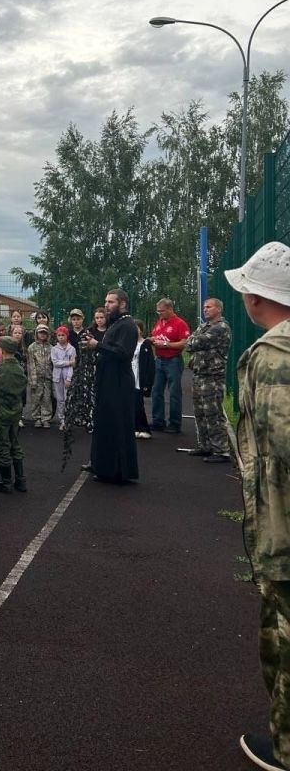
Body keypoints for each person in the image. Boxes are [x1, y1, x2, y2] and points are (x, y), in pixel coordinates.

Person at [223, 242, 290, 771]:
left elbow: (279, 448)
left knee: (283, 637)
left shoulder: (271, 358)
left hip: (285, 530)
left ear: (253, 298)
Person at [84, 289, 138, 483]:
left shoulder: (128, 325)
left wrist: (97, 345)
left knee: (116, 424)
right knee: (104, 422)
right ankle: (101, 465)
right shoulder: (116, 324)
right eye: (105, 302)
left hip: (118, 383)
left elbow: (123, 353)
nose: (106, 305)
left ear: (122, 304)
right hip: (108, 380)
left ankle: (116, 471)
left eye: (111, 302)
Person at [180, 298, 233, 463]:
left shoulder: (221, 328)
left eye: (209, 307)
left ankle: (221, 450)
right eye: (204, 307)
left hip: (212, 377)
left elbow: (194, 342)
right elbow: (191, 341)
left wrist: (192, 341)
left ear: (218, 309)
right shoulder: (204, 326)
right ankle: (205, 446)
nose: (205, 309)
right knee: (200, 412)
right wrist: (191, 341)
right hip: (199, 374)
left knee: (213, 413)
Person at [0, 336, 28, 493]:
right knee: (14, 443)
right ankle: (21, 481)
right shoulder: (19, 368)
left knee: (2, 446)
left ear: (2, 351)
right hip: (15, 411)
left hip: (0, 411)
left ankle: (6, 481)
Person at [149, 297, 190, 434]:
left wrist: (166, 344)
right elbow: (156, 336)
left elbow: (185, 342)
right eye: (158, 311)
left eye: (162, 311)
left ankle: (175, 423)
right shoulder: (160, 322)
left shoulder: (180, 323)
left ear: (170, 309)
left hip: (173, 360)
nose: (159, 314)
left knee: (174, 393)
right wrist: (153, 341)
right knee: (156, 391)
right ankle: (158, 421)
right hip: (159, 360)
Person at [27, 324, 54, 428]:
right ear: (36, 334)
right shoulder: (32, 347)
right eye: (40, 333)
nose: (42, 335)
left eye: (44, 333)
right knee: (36, 398)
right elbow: (31, 364)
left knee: (47, 398)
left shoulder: (51, 348)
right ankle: (37, 418)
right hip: (36, 377)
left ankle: (46, 418)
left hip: (48, 377)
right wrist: (32, 379)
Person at [132, 320, 155, 439]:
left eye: (137, 328)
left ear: (141, 329)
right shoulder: (128, 343)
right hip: (128, 375)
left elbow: (150, 365)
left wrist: (147, 382)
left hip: (138, 377)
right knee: (129, 404)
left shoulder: (145, 344)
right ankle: (134, 427)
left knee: (138, 403)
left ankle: (144, 428)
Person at [50, 326, 76, 430]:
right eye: (59, 335)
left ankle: (68, 419)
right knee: (60, 399)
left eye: (63, 335)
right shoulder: (54, 349)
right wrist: (68, 362)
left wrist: (69, 378)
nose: (61, 337)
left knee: (67, 398)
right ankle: (62, 420)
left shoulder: (72, 349)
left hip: (66, 377)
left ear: (67, 336)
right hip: (57, 377)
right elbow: (55, 363)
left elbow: (72, 365)